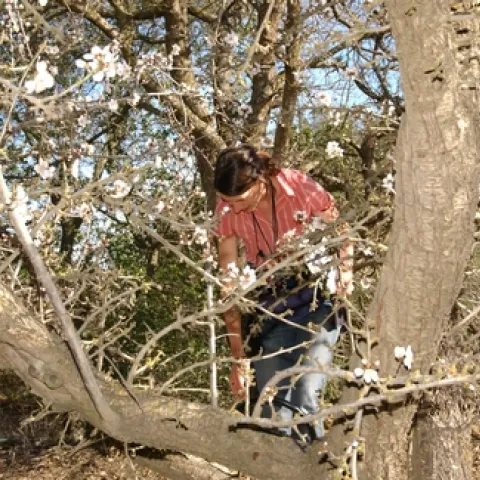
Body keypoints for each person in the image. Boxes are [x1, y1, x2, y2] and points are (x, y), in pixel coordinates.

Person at [214, 144, 353, 443]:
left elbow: (341, 230)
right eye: (227, 201)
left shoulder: (299, 187)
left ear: (260, 180)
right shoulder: (226, 209)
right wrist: (238, 360)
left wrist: (346, 273)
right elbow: (230, 287)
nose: (233, 208)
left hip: (317, 293)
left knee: (305, 391)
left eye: (239, 200)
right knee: (270, 400)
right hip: (270, 301)